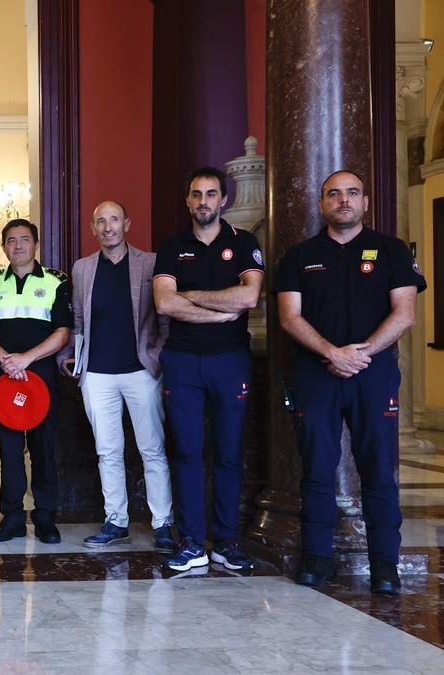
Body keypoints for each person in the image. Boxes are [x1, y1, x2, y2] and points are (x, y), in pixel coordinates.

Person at [276, 170, 426, 595]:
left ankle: (385, 566)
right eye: (334, 194)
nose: (344, 200)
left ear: (365, 202)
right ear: (322, 203)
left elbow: (405, 314)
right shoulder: (299, 256)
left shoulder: (392, 251)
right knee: (317, 471)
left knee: (379, 472)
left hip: (373, 376)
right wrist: (332, 352)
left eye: (352, 193)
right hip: (315, 376)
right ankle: (317, 560)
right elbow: (289, 317)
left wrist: (360, 354)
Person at [152, 166, 263, 572]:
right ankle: (192, 542)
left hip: (230, 361)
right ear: (188, 200)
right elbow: (164, 303)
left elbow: (249, 297)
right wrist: (219, 311)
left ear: (223, 199)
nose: (203, 201)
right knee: (186, 452)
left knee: (229, 453)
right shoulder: (172, 246)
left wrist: (191, 296)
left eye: (211, 194)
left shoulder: (244, 241)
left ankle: (227, 542)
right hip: (182, 360)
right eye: (196, 194)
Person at [59, 201, 175, 552]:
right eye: (100, 221)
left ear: (127, 223)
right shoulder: (82, 268)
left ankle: (163, 523)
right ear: (93, 228)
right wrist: (73, 357)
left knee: (152, 449)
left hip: (141, 370)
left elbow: (165, 317)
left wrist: (157, 355)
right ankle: (116, 521)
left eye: (113, 219)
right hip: (97, 373)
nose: (107, 227)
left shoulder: (150, 263)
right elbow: (78, 320)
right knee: (107, 451)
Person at [0, 218, 72, 544]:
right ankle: (12, 517)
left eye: (24, 239)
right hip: (4, 377)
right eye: (11, 240)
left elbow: (63, 332)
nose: (18, 245)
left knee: (44, 449)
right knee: (10, 451)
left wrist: (26, 359)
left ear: (36, 244)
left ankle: (45, 518)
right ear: (4, 247)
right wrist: (6, 359)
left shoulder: (56, 282)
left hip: (40, 377)